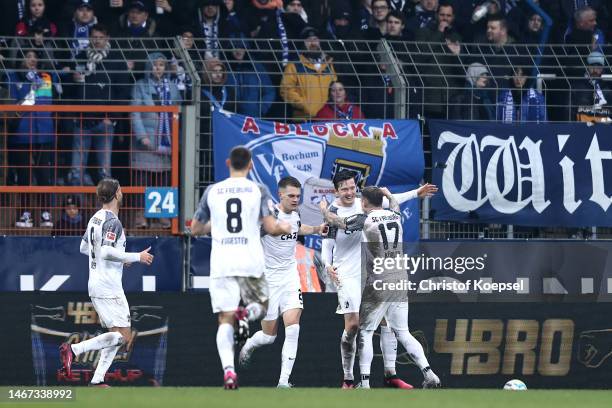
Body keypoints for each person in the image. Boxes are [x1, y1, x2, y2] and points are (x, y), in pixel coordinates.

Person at [319, 169, 438, 389]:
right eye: (344, 188)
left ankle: (388, 375)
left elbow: (344, 220)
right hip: (350, 272)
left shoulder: (360, 209)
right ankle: (349, 378)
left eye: (352, 187)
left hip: (374, 274)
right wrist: (328, 266)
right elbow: (327, 244)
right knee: (355, 325)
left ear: (360, 193)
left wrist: (415, 193)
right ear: (336, 190)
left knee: (385, 325)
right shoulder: (386, 212)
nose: (349, 192)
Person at [190, 146, 291, 390]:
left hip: (222, 261)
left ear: (228, 163)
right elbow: (271, 225)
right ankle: (247, 314)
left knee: (224, 319)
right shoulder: (258, 190)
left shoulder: (212, 191)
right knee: (263, 305)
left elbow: (195, 228)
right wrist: (284, 227)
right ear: (251, 165)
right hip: (250, 260)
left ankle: (229, 372)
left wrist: (216, 226)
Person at [59, 177, 154, 387]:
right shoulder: (113, 221)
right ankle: (74, 350)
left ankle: (97, 379)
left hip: (96, 282)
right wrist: (136, 256)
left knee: (117, 335)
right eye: (120, 189)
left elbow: (85, 248)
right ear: (117, 193)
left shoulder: (95, 218)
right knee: (124, 336)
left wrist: (120, 259)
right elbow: (106, 251)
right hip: (108, 286)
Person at [238, 176, 326, 388]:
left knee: (293, 328)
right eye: (291, 196)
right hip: (268, 280)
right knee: (269, 337)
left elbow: (297, 227)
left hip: (289, 276)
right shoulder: (268, 217)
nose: (296, 199)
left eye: (298, 195)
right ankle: (249, 345)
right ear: (281, 195)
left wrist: (315, 229)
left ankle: (284, 381)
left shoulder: (295, 214)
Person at [356, 186, 441, 389]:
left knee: (366, 332)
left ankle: (365, 384)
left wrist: (325, 212)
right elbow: (394, 202)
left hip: (379, 280)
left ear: (364, 202)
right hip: (400, 280)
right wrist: (389, 194)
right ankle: (430, 374)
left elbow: (339, 223)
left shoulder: (364, 220)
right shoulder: (395, 215)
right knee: (403, 332)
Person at [67, 24, 131, 186]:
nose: (97, 41)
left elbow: (123, 93)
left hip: (105, 123)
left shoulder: (116, 60)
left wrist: (112, 117)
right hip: (82, 122)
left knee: (104, 173)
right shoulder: (80, 57)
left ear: (107, 39)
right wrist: (72, 81)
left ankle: (106, 211)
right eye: (94, 37)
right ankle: (77, 209)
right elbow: (68, 92)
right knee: (76, 171)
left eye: (100, 37)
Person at [130, 52, 181, 229]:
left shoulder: (173, 87)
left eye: (161, 64)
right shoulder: (140, 86)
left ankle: (161, 215)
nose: (158, 68)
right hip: (145, 141)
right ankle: (140, 215)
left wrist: (176, 139)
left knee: (162, 178)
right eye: (154, 64)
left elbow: (178, 113)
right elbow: (134, 112)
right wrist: (142, 136)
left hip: (166, 141)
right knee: (142, 179)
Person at [280, 26, 337, 121]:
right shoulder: (294, 65)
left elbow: (335, 86)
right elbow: (286, 90)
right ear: (303, 43)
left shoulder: (328, 63)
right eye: (308, 40)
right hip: (304, 120)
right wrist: (305, 106)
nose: (313, 43)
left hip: (327, 118)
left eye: (315, 39)